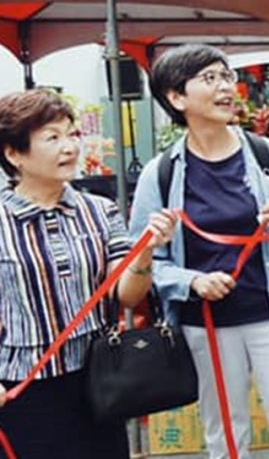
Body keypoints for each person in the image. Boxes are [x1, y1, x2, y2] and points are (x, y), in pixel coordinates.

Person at [130, 45, 269, 459]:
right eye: (209, 79)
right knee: (224, 439)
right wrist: (192, 281)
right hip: (204, 326)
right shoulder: (160, 174)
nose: (225, 87)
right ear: (176, 97)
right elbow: (143, 260)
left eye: (225, 76)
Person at [0, 89, 176, 457]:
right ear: (13, 153)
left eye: (71, 134)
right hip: (23, 387)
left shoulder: (99, 210)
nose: (69, 147)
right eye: (52, 137)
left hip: (99, 379)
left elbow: (126, 294)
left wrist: (145, 251)